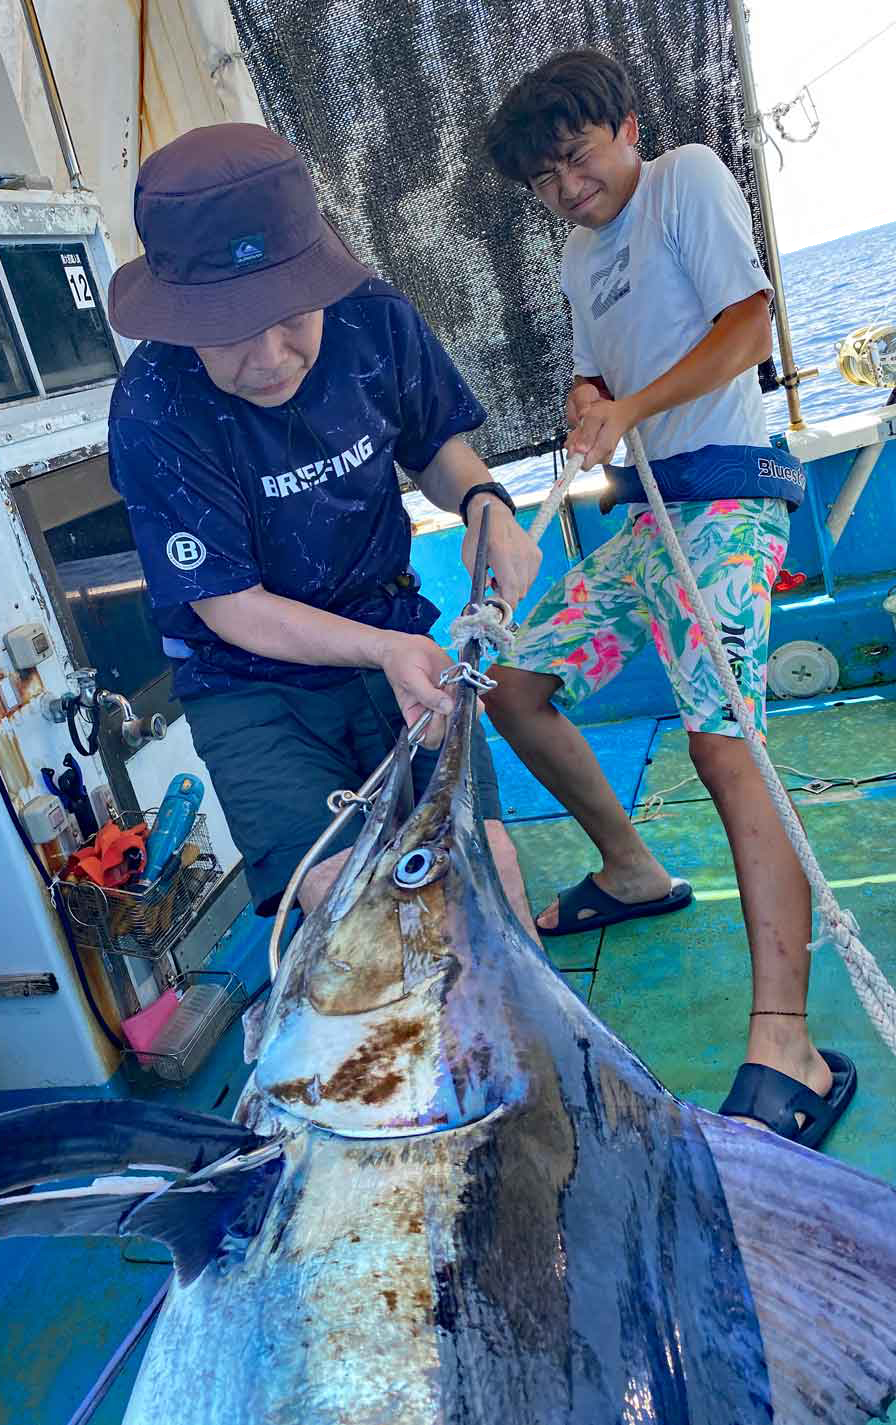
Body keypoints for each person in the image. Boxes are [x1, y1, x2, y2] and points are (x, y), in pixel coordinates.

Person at [482, 49, 855, 1144]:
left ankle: (784, 1041)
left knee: (720, 742)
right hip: (649, 523)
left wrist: (630, 400)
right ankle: (634, 869)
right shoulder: (574, 257)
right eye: (544, 181)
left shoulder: (685, 177)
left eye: (577, 158)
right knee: (512, 684)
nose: (567, 189)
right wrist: (587, 396)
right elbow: (599, 374)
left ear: (627, 128)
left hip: (732, 501)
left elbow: (747, 327)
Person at [106, 123, 542, 935]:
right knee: (349, 910)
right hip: (249, 683)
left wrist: (485, 501)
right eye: (231, 329)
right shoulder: (154, 406)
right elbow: (229, 605)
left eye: (290, 315)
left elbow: (435, 447)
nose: (270, 355)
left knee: (489, 869)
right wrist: (380, 650)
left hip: (391, 632)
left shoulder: (374, 319)